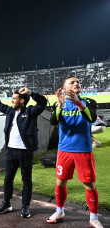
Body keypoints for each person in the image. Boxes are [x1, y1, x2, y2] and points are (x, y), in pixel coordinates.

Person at [47, 76, 103, 228]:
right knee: (60, 182)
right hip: (64, 150)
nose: (76, 83)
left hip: (83, 150)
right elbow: (53, 121)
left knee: (89, 185)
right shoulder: (59, 104)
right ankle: (60, 211)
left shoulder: (89, 101)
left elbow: (91, 118)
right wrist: (59, 105)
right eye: (71, 82)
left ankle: (93, 218)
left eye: (77, 81)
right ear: (64, 89)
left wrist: (77, 101)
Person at [0, 82, 47, 218]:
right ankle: (7, 203)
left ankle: (25, 206)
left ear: (22, 101)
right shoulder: (10, 111)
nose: (12, 100)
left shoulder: (30, 112)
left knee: (26, 180)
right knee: (8, 179)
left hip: (25, 152)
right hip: (11, 151)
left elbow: (42, 103)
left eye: (14, 98)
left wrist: (30, 93)